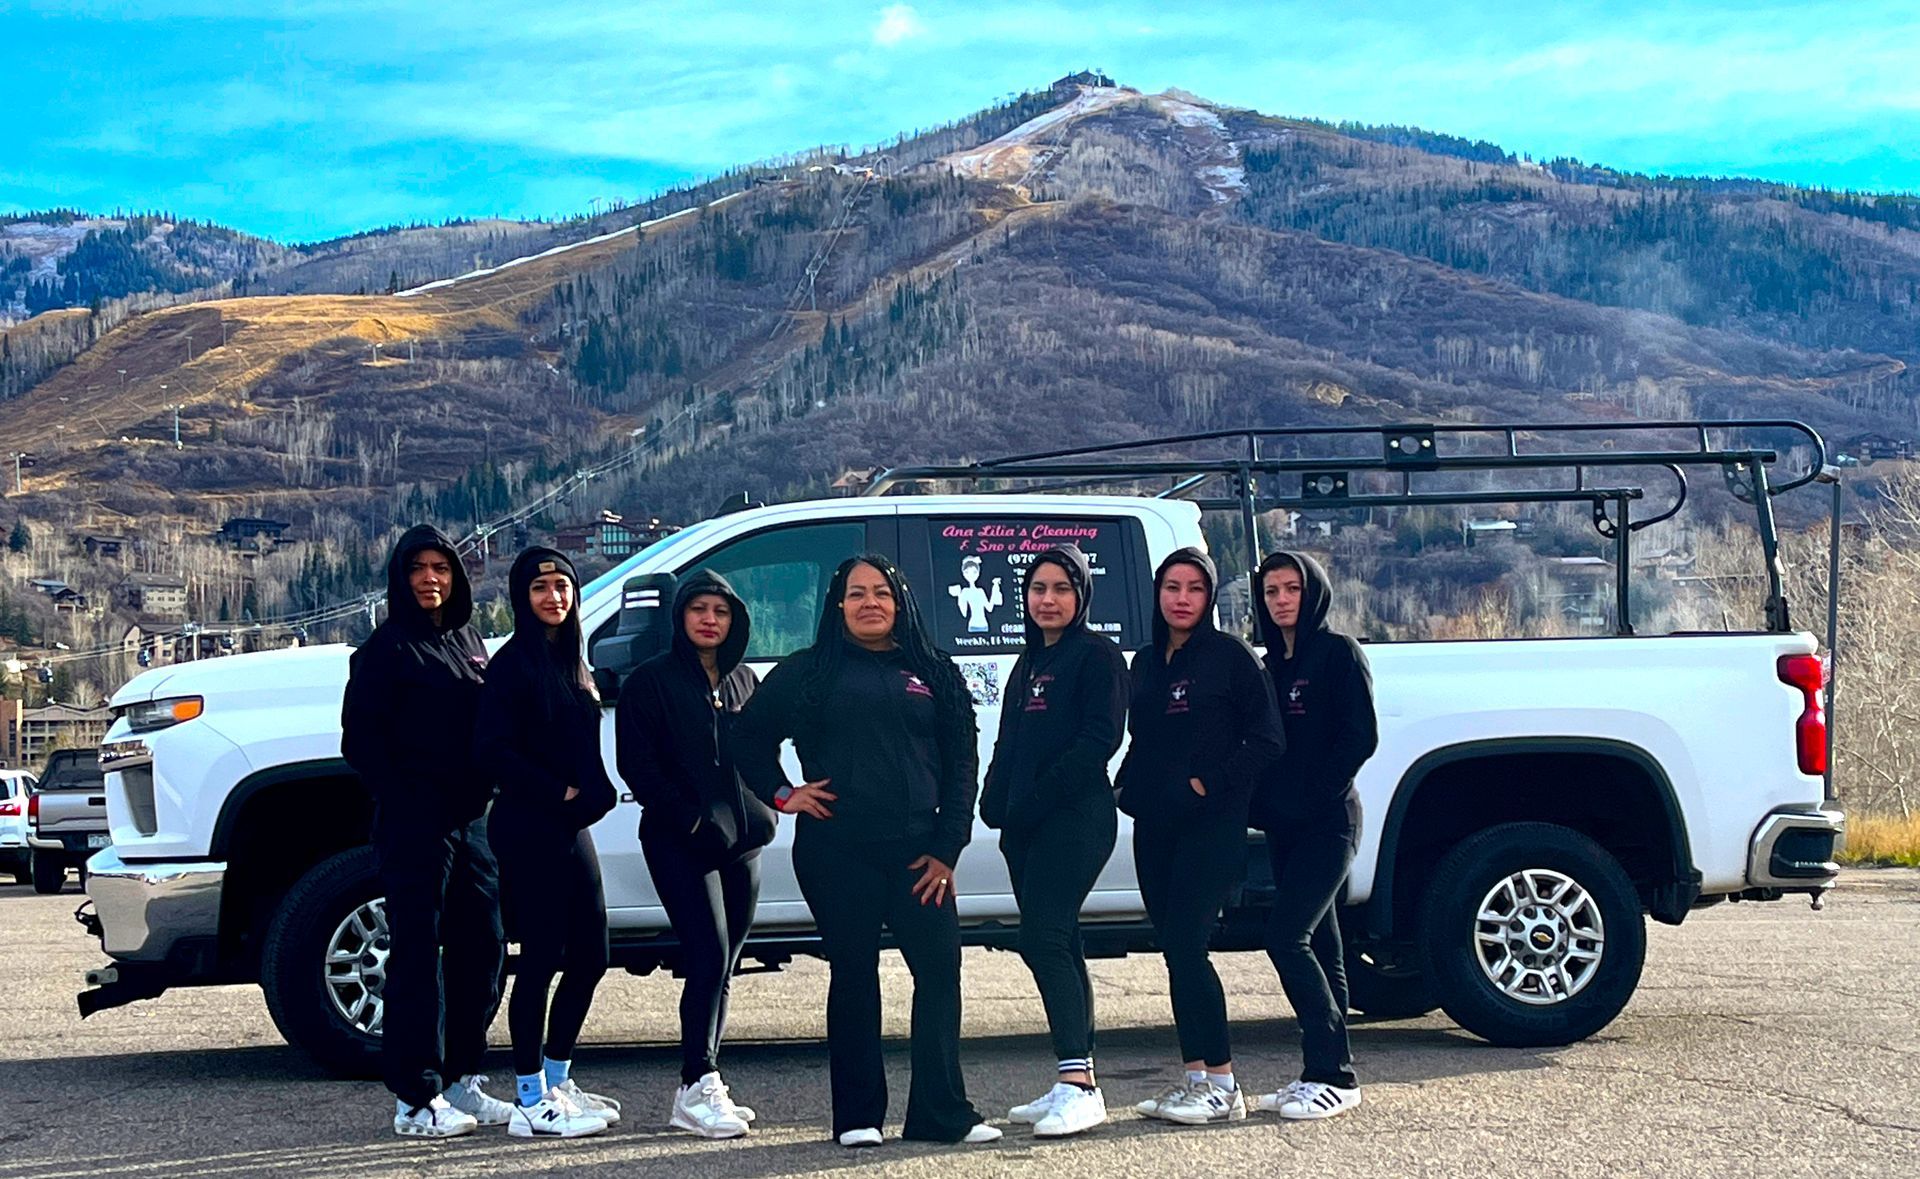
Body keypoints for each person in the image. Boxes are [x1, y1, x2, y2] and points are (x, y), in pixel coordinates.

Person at [734, 554, 1001, 1149]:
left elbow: (962, 765)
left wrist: (947, 850)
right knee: (854, 975)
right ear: (838, 606)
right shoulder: (808, 671)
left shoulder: (934, 672)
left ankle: (941, 1114)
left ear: (900, 602)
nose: (870, 603)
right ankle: (858, 1117)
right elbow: (746, 737)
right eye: (856, 594)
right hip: (837, 851)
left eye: (881, 592)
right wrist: (783, 793)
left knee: (939, 973)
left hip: (919, 856)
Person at [342, 525, 511, 1139]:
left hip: (472, 825)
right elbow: (359, 744)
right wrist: (413, 796)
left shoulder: (468, 642)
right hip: (417, 825)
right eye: (418, 568)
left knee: (485, 946)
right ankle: (415, 1099)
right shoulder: (384, 652)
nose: (430, 579)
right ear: (400, 578)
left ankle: (463, 1076)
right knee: (417, 956)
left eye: (441, 567)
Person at [1117, 547, 1284, 1127]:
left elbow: (1267, 740)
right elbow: (1145, 739)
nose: (1182, 598)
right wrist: (1126, 786)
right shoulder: (1144, 662)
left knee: (1190, 944)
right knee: (1173, 951)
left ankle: (1223, 1083)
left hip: (1210, 827)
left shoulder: (1231, 657)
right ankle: (1194, 1079)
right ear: (1157, 594)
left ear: (1209, 596)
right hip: (1155, 825)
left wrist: (1208, 786)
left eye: (1193, 588)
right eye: (1172, 588)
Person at [615, 570, 776, 1139]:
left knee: (726, 962)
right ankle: (694, 1083)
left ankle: (708, 1081)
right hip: (679, 843)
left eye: (722, 611)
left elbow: (758, 754)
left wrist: (772, 805)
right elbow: (638, 765)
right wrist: (689, 818)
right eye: (699, 608)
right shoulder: (649, 683)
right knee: (706, 954)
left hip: (742, 845)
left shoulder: (744, 681)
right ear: (680, 617)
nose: (710, 619)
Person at [981, 546, 1128, 1138]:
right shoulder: (1028, 661)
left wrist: (1034, 802)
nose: (1048, 599)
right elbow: (1009, 741)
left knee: (1040, 938)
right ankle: (1074, 1076)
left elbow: (1098, 741)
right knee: (1061, 941)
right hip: (1025, 827)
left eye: (1061, 589)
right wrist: (995, 803)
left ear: (1081, 595)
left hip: (1077, 820)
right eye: (1039, 588)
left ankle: (1080, 1084)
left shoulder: (1097, 656)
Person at [476, 547, 621, 1140]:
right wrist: (557, 791)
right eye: (540, 589)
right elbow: (492, 751)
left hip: (571, 830)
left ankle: (559, 1078)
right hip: (529, 826)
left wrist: (589, 792)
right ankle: (530, 1096)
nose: (553, 597)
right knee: (539, 960)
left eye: (562, 586)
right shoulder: (511, 666)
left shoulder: (573, 662)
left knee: (592, 956)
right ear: (521, 598)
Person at [1248, 551, 1378, 1121]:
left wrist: (1313, 795)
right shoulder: (1267, 664)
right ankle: (1319, 1073)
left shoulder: (1337, 654)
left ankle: (1335, 1073)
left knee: (1286, 937)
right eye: (1271, 591)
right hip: (1285, 828)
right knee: (1324, 946)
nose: (1281, 600)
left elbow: (1360, 738)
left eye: (1291, 589)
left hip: (1331, 822)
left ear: (1314, 592)